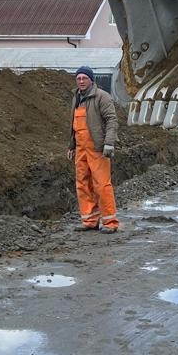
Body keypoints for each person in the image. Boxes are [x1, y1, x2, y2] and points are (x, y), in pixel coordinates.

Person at [67, 65, 119, 232]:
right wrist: (72, 145)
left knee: (102, 184)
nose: (81, 81)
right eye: (78, 78)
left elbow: (112, 120)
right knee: (83, 184)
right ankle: (90, 221)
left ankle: (110, 223)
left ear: (91, 80)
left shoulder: (101, 97)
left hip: (97, 148)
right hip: (81, 149)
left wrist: (109, 143)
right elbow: (74, 126)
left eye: (84, 78)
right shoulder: (76, 98)